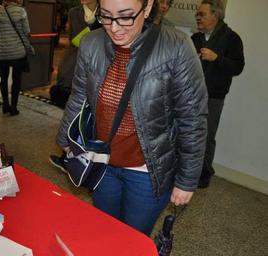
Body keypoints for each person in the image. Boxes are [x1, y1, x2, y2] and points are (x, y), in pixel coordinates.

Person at [56, 0, 207, 235]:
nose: (114, 27)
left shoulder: (175, 46)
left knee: (133, 238)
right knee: (105, 229)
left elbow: (192, 118)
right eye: (106, 16)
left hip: (148, 171)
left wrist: (187, 180)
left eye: (125, 16)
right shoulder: (91, 43)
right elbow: (79, 97)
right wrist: (66, 139)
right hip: (102, 162)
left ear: (147, 8)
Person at [191, 0, 244, 188]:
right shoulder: (195, 38)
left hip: (214, 96)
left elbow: (238, 67)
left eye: (202, 14)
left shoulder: (232, 39)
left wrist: (217, 58)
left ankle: (203, 174)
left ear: (216, 15)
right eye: (197, 14)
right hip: (192, 95)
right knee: (188, 132)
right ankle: (186, 170)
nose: (198, 17)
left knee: (207, 136)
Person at [49, 0, 101, 172]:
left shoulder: (107, 9)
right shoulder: (74, 12)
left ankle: (84, 160)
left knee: (92, 116)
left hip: (99, 65)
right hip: (76, 63)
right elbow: (74, 39)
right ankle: (69, 157)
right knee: (75, 110)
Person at [0, 0, 32, 116]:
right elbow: (27, 31)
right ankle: (14, 107)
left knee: (3, 78)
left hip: (2, 51)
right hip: (17, 51)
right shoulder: (21, 11)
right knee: (16, 79)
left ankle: (5, 105)